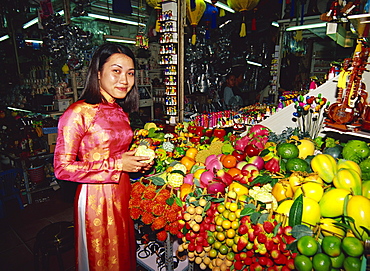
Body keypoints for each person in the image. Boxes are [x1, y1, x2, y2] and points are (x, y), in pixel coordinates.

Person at [53, 43, 153, 271]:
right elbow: (62, 168)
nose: (125, 80)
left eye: (130, 74)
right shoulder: (78, 113)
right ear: (98, 73)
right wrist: (119, 164)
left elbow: (117, 152)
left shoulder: (119, 110)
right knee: (104, 257)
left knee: (124, 251)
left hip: (123, 190)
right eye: (116, 71)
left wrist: (135, 162)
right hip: (95, 198)